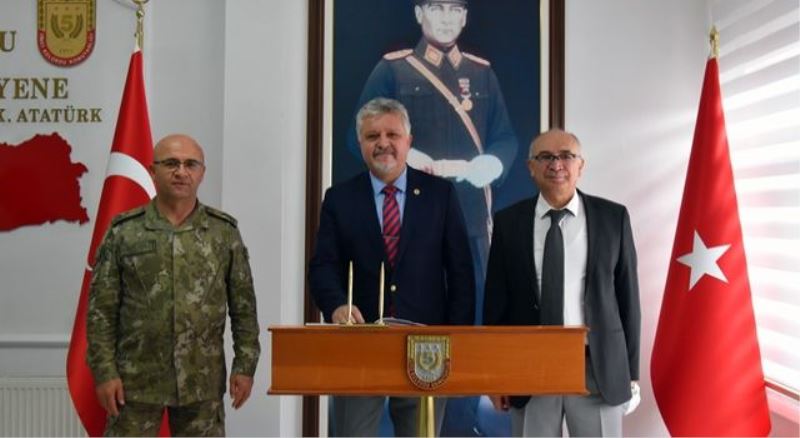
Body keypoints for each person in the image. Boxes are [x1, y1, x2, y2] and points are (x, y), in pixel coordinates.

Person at [310, 97, 475, 437]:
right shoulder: (339, 198)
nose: (383, 143)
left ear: (408, 141)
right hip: (360, 341)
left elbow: (460, 271)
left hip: (427, 345)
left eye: (392, 135)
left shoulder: (440, 195)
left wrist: (458, 337)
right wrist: (337, 305)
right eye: (373, 136)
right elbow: (323, 266)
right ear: (360, 144)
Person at [347, 0, 518, 324]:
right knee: (414, 311)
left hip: (469, 212)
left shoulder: (482, 73)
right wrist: (407, 158)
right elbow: (355, 135)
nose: (446, 18)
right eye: (437, 8)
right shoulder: (394, 69)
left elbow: (505, 137)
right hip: (414, 213)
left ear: (465, 17)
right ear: (419, 14)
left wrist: (490, 164)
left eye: (454, 10)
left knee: (474, 311)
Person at [86, 134, 260, 436]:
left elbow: (243, 307)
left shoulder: (222, 232)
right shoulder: (124, 231)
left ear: (202, 173)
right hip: (135, 381)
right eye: (171, 164)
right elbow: (101, 311)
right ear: (153, 171)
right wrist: (104, 372)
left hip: (201, 380)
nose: (181, 172)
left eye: (190, 164)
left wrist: (245, 365)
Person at [483, 129, 641, 437]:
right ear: (531, 167)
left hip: (596, 367)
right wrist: (496, 375)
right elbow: (496, 305)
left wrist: (631, 373)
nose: (556, 165)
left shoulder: (613, 218)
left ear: (581, 165)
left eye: (566, 156)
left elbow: (629, 300)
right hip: (528, 368)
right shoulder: (508, 222)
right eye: (545, 157)